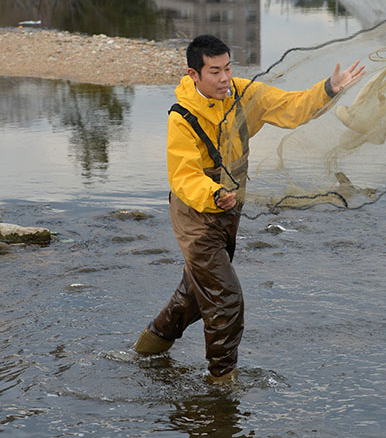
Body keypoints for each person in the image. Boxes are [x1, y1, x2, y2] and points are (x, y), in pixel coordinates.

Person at [134, 34, 365, 381]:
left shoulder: (241, 95)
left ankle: (144, 353)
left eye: (228, 68)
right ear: (193, 74)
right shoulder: (181, 118)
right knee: (226, 299)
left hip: (228, 212)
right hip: (195, 217)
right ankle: (221, 384)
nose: (225, 78)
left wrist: (329, 89)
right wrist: (214, 195)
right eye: (214, 71)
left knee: (194, 296)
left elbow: (291, 107)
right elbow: (183, 175)